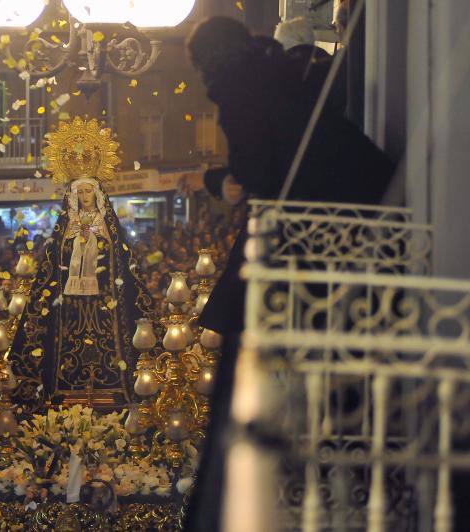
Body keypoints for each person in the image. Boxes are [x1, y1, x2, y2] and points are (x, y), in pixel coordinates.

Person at [184, 16, 394, 531]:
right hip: (370, 192)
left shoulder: (237, 87)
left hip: (334, 217)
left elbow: (257, 169)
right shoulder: (272, 68)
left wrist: (222, 180)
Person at [9, 117, 154, 411]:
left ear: (97, 194)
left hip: (105, 305)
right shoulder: (66, 229)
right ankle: (62, 388)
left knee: (109, 347)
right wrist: (77, 241)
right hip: (70, 308)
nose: (84, 197)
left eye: (88, 191)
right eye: (79, 193)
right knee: (67, 346)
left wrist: (98, 241)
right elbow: (53, 269)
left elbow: (122, 264)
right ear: (72, 196)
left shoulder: (108, 227)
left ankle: (115, 387)